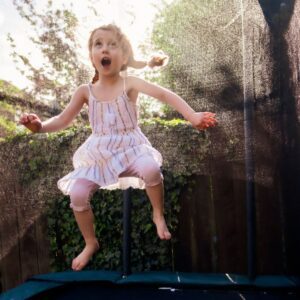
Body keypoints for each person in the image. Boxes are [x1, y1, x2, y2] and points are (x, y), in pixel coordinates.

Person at [19, 24, 217, 271]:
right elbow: (61, 120)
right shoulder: (85, 91)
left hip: (131, 147)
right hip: (100, 154)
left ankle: (157, 214)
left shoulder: (130, 83)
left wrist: (192, 115)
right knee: (78, 194)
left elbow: (165, 95)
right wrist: (39, 127)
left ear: (123, 57)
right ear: (92, 55)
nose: (105, 49)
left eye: (113, 45)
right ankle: (91, 243)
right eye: (99, 44)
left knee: (152, 169)